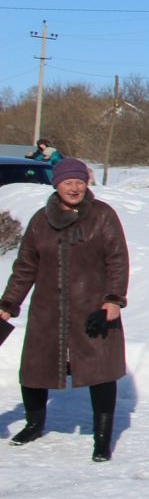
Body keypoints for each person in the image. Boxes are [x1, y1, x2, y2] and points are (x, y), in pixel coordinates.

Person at [0, 158, 128, 462]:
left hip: (93, 307)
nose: (75, 188)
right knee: (34, 367)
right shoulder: (40, 220)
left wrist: (113, 300)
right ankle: (34, 424)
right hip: (48, 308)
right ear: (56, 184)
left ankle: (101, 438)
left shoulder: (102, 216)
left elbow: (117, 260)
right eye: (68, 182)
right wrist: (8, 305)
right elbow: (25, 267)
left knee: (100, 371)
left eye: (80, 182)